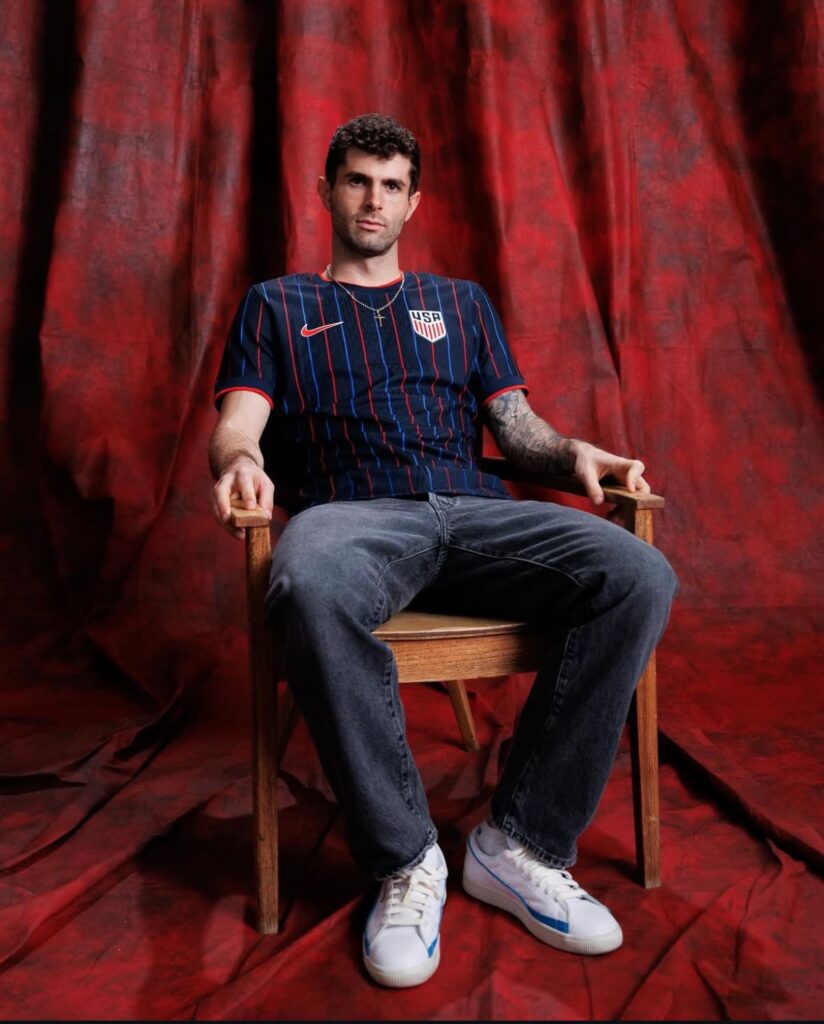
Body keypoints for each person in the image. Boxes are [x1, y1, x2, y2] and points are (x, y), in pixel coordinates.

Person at [209, 113, 677, 988]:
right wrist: (240, 461)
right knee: (307, 582)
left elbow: (516, 427)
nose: (373, 200)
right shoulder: (276, 304)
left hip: (473, 511)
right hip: (353, 517)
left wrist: (575, 453)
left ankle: (519, 843)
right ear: (327, 191)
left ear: (413, 202)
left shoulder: (460, 304)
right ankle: (406, 859)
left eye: (391, 185)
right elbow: (240, 423)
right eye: (357, 180)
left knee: (638, 573)